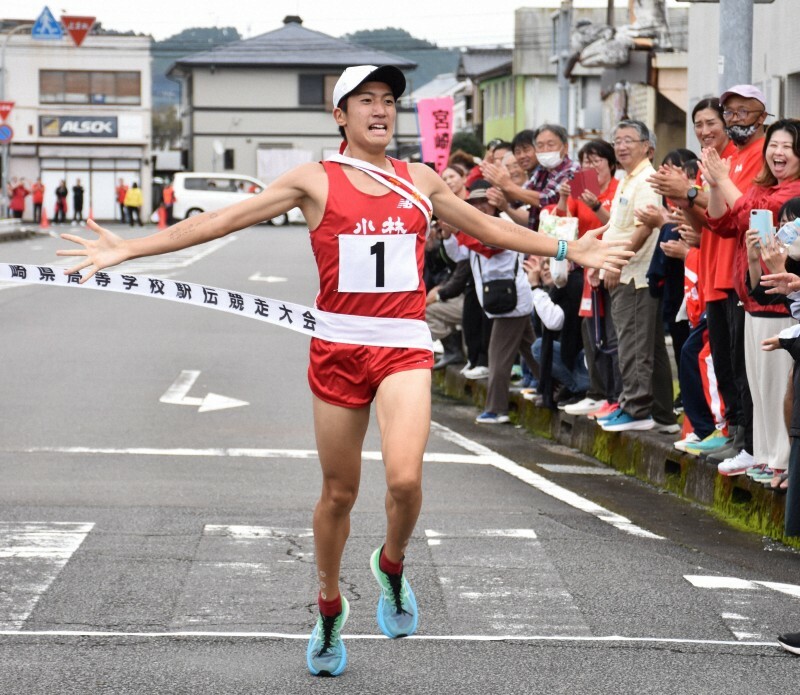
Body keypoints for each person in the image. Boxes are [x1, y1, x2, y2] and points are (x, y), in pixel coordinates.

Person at [57, 64, 631, 678]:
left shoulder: (420, 179)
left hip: (403, 346)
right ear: (341, 115)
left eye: (388, 100)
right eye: (366, 101)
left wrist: (573, 248)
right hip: (337, 348)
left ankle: (391, 565)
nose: (380, 110)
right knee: (339, 492)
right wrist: (128, 248)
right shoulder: (315, 180)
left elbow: (486, 226)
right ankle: (329, 605)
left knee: (406, 481)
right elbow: (218, 222)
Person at [704, 119, 800, 485]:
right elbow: (723, 221)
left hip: (782, 301)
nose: (777, 153)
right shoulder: (761, 189)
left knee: (778, 386)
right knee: (757, 387)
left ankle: (781, 458)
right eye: (773, 145)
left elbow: (747, 210)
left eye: (787, 147)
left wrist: (723, 180)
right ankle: (763, 453)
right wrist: (715, 182)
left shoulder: (792, 194)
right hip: (752, 297)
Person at [599, 119, 678, 434]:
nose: (621, 145)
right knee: (651, 345)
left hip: (634, 274)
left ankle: (636, 408)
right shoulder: (629, 178)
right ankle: (662, 414)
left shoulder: (646, 178)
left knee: (633, 343)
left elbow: (646, 226)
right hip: (631, 271)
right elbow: (620, 225)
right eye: (617, 140)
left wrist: (615, 263)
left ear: (648, 146)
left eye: (629, 139)